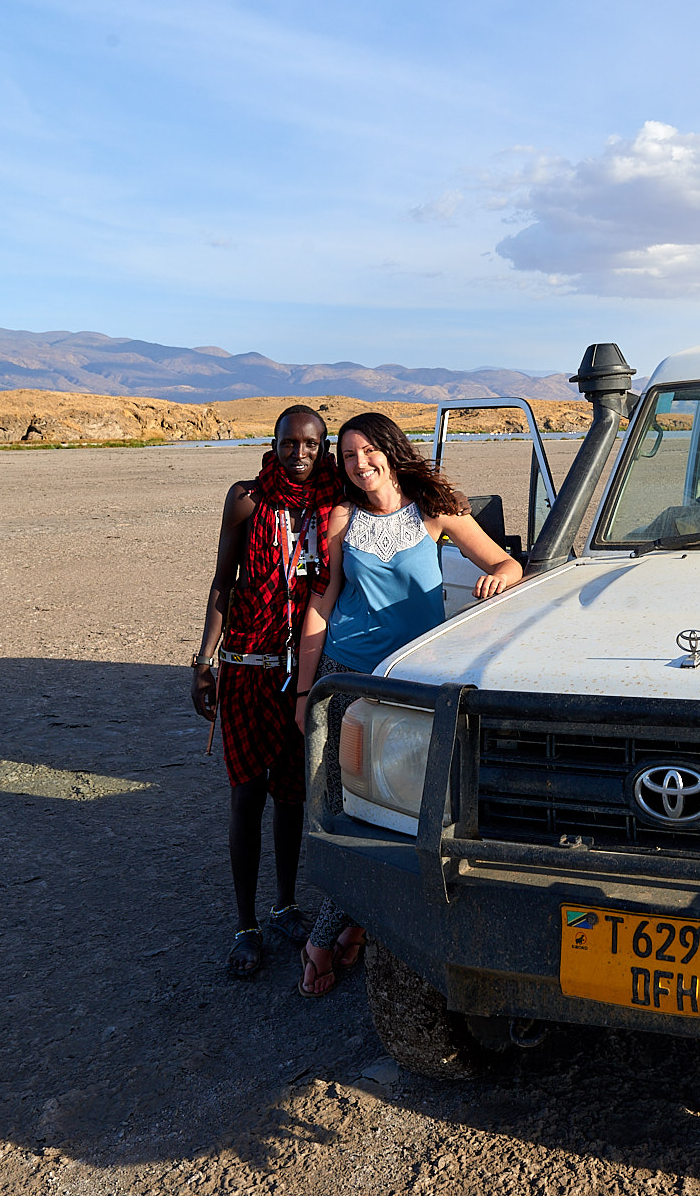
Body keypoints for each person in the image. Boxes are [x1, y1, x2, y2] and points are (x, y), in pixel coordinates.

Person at [288, 411, 523, 997]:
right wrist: (305, 690)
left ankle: (342, 927)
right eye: (346, 457)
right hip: (347, 679)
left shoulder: (434, 509)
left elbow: (506, 562)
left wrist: (500, 577)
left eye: (367, 452)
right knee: (345, 810)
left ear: (391, 451)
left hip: (413, 684)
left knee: (405, 810)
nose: (358, 465)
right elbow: (322, 603)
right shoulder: (342, 518)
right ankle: (336, 929)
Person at [192, 404, 341, 979]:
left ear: (323, 449)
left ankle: (284, 905)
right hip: (249, 669)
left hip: (302, 675)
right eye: (288, 444)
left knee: (291, 795)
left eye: (310, 445)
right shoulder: (246, 500)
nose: (299, 455)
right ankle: (245, 923)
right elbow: (222, 582)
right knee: (246, 795)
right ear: (273, 443)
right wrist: (202, 661)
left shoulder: (333, 509)